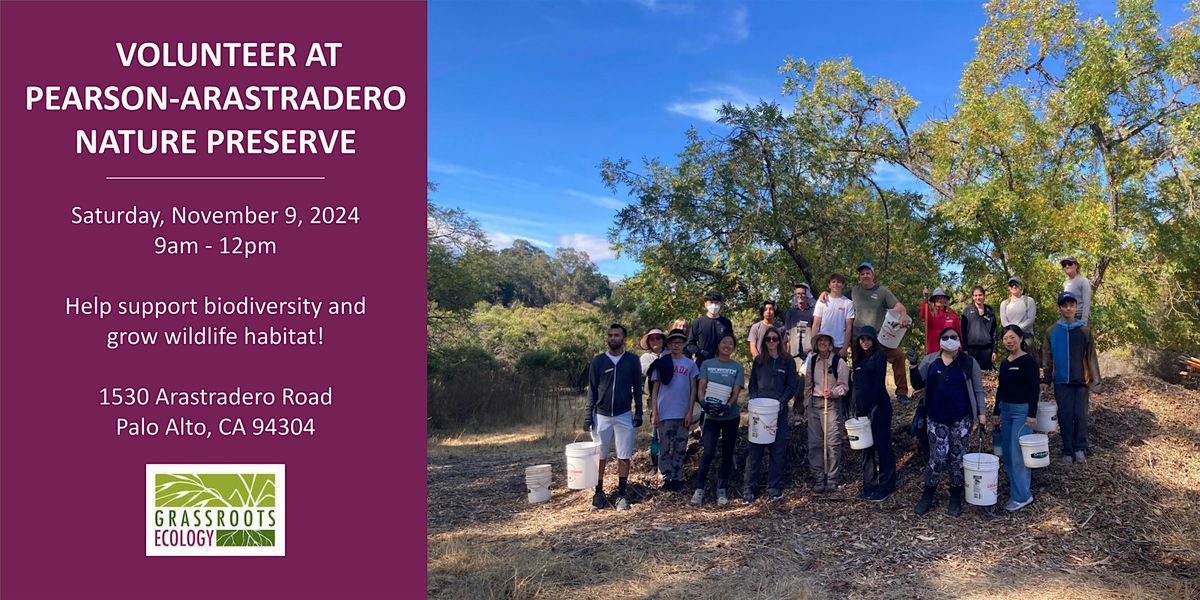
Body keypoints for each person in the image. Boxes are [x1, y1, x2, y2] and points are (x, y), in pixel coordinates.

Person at [911, 326, 986, 517]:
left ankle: (955, 496)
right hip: (936, 418)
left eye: (954, 337)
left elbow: (978, 389)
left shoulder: (968, 362)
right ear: (940, 341)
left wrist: (981, 414)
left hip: (961, 418)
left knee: (957, 458)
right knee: (937, 457)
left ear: (959, 340)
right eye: (945, 337)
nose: (950, 340)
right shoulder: (931, 360)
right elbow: (917, 384)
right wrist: (912, 365)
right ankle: (928, 494)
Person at [583, 323, 644, 511]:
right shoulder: (599, 361)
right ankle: (598, 493)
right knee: (600, 456)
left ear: (624, 339)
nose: (613, 338)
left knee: (623, 455)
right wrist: (588, 415)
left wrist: (639, 412)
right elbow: (592, 389)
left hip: (624, 414)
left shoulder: (632, 360)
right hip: (601, 415)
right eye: (610, 335)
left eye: (617, 335)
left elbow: (637, 388)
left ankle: (622, 494)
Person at [1041, 291, 1101, 464]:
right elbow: (1047, 356)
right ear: (1060, 308)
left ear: (1076, 307)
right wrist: (1046, 379)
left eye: (1071, 305)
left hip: (1081, 380)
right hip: (1061, 381)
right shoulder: (1052, 331)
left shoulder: (1084, 331)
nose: (1068, 308)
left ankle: (1080, 447)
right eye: (1065, 305)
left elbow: (1091, 356)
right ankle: (1067, 449)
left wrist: (1095, 382)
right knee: (1065, 415)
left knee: (1080, 415)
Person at [742, 328, 798, 503]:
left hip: (779, 412)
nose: (772, 342)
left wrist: (782, 401)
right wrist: (755, 399)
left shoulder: (787, 361)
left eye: (775, 339)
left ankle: (774, 487)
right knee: (755, 451)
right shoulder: (759, 361)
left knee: (777, 451)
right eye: (768, 339)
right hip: (760, 412)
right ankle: (748, 490)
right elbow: (752, 385)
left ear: (780, 341)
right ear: (764, 342)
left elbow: (792, 385)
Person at [846, 262, 913, 405]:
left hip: (879, 339)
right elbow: (837, 298)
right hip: (859, 339)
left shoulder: (882, 291)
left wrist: (903, 315)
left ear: (872, 275)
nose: (865, 276)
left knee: (899, 356)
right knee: (859, 369)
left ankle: (901, 393)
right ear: (859, 276)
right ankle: (857, 398)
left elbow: (899, 306)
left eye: (867, 273)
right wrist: (825, 294)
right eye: (862, 273)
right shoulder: (854, 291)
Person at [691, 333, 744, 507]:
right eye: (724, 342)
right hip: (711, 417)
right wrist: (704, 404)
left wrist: (728, 405)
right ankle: (699, 489)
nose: (727, 345)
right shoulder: (707, 364)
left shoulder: (737, 367)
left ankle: (722, 489)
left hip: (731, 417)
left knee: (727, 452)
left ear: (733, 347)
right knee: (708, 452)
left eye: (730, 343)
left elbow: (736, 391)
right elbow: (701, 387)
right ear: (718, 345)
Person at [992, 325, 1039, 511]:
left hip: (1022, 413)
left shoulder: (1028, 361)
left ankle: (1023, 496)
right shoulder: (1005, 363)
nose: (1009, 341)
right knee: (1008, 454)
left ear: (1020, 338)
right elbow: (1000, 388)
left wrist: (1031, 414)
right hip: (1006, 411)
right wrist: (996, 412)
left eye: (1012, 337)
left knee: (1017, 454)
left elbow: (1034, 388)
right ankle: (1016, 491)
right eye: (1005, 338)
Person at [650, 328, 699, 491]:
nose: (676, 345)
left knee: (680, 447)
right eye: (673, 342)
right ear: (668, 344)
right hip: (665, 412)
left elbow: (693, 390)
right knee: (665, 447)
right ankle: (665, 477)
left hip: (683, 412)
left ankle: (677, 477)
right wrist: (655, 412)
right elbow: (655, 389)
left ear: (685, 343)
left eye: (679, 342)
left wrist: (690, 411)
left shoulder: (690, 364)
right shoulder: (662, 362)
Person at [852, 326, 895, 502]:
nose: (865, 342)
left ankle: (887, 484)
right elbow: (856, 386)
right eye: (862, 339)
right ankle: (869, 483)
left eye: (868, 339)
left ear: (873, 340)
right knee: (866, 449)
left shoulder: (879, 356)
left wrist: (873, 408)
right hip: (861, 411)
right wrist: (854, 407)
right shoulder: (858, 360)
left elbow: (878, 382)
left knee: (882, 446)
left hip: (879, 408)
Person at [803, 333, 849, 493]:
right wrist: (806, 403)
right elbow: (808, 384)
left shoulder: (838, 362)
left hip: (831, 404)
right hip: (815, 404)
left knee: (832, 442)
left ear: (830, 344)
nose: (823, 343)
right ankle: (818, 478)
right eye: (820, 340)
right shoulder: (813, 361)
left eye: (826, 341)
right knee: (815, 443)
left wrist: (834, 393)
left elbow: (844, 385)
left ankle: (832, 479)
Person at [784, 283, 816, 422]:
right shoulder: (791, 313)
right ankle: (797, 410)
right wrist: (786, 353)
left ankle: (807, 411)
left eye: (802, 293)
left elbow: (816, 330)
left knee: (808, 382)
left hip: (809, 353)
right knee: (797, 382)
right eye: (797, 294)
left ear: (807, 295)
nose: (800, 296)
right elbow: (787, 334)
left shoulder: (812, 311)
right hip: (794, 353)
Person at [639, 327, 667, 473]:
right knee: (655, 432)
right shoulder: (645, 358)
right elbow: (644, 370)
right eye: (652, 339)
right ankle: (654, 464)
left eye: (658, 338)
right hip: (653, 400)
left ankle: (666, 464)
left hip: (670, 399)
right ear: (649, 342)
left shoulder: (670, 354)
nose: (655, 341)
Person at [686, 292, 734, 366]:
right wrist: (701, 352)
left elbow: (731, 342)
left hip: (721, 362)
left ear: (720, 304)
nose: (714, 305)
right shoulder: (698, 322)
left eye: (716, 303)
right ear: (705, 304)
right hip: (702, 363)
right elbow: (690, 344)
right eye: (711, 302)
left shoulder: (726, 323)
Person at [812, 274, 855, 357]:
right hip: (823, 344)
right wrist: (813, 346)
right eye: (833, 282)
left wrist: (845, 348)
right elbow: (816, 324)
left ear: (843, 285)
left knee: (839, 369)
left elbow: (848, 327)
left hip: (839, 346)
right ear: (829, 285)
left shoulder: (848, 303)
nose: (836, 284)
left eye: (839, 282)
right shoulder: (822, 301)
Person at [961, 286, 998, 370]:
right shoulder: (967, 311)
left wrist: (994, 350)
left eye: (980, 295)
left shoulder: (990, 311)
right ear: (973, 297)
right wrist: (964, 350)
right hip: (971, 350)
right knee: (972, 375)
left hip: (987, 350)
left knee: (987, 377)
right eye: (976, 295)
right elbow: (963, 332)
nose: (978, 297)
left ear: (984, 296)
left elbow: (994, 332)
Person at [999, 276, 1037, 351]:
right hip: (1010, 336)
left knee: (1025, 359)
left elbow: (1030, 320)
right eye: (1011, 285)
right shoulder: (1004, 303)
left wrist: (1017, 330)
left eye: (1016, 284)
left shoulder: (1029, 301)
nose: (1014, 286)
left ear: (1021, 287)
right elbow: (1004, 322)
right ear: (1009, 288)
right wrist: (1012, 332)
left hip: (1026, 336)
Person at [918, 287, 960, 355]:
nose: (940, 300)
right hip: (934, 351)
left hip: (951, 350)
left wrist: (960, 348)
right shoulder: (930, 313)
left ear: (945, 300)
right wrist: (924, 299)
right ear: (934, 301)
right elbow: (923, 316)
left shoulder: (952, 313)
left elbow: (958, 331)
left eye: (942, 298)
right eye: (937, 298)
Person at [1060, 257, 1093, 325]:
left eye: (1069, 263)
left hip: (1079, 318)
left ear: (1076, 265)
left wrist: (1083, 323)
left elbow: (1087, 303)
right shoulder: (1065, 283)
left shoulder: (1083, 281)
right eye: (1064, 265)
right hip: (1067, 319)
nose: (1067, 266)